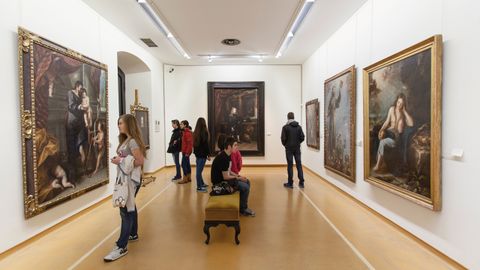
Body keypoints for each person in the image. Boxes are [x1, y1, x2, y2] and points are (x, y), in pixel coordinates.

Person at [104, 114, 146, 262]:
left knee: (125, 211)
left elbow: (139, 160)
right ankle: (133, 233)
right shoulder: (127, 140)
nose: (119, 125)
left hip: (130, 181)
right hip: (125, 179)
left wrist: (120, 160)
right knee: (130, 206)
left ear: (128, 124)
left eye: (121, 123)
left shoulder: (133, 141)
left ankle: (121, 246)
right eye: (118, 123)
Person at [211, 136, 255, 217]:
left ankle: (242, 206)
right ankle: (243, 209)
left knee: (247, 181)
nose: (237, 147)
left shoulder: (228, 155)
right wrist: (238, 178)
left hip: (225, 180)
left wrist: (238, 175)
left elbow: (229, 170)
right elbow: (226, 177)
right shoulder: (223, 158)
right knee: (245, 187)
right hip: (220, 184)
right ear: (229, 147)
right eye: (235, 145)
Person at [373, 93, 414, 173]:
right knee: (379, 137)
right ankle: (382, 162)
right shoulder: (392, 109)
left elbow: (411, 124)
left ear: (404, 105)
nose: (399, 105)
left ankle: (378, 165)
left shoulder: (403, 114)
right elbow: (387, 121)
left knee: (382, 142)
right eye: (398, 102)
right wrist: (381, 130)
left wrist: (405, 111)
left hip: (396, 138)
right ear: (396, 101)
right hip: (389, 133)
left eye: (401, 104)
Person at [66, 81, 88, 183]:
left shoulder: (79, 95)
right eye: (80, 88)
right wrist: (79, 107)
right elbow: (71, 106)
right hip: (71, 123)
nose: (81, 90)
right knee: (72, 149)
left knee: (80, 146)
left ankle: (79, 173)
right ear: (77, 86)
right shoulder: (70, 93)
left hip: (79, 124)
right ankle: (72, 176)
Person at [281, 112, 306, 189]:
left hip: (289, 148)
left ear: (288, 118)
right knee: (299, 164)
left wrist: (286, 145)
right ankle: (301, 182)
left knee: (290, 165)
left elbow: (283, 139)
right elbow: (302, 137)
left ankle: (290, 183)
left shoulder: (285, 127)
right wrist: (298, 143)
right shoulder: (299, 127)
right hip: (297, 148)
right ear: (294, 117)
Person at [193, 117, 210, 192]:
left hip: (198, 155)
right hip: (202, 155)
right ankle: (199, 187)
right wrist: (208, 155)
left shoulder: (195, 133)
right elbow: (206, 145)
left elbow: (195, 145)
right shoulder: (204, 133)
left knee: (199, 171)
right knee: (199, 172)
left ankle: (202, 183)